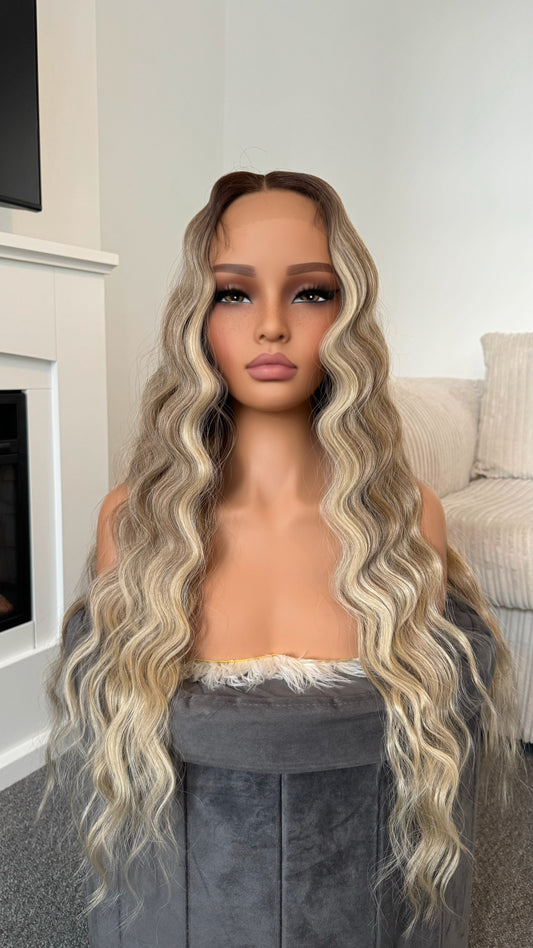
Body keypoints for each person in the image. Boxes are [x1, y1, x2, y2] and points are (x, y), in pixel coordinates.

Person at [38, 171, 521, 943]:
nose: (270, 326)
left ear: (346, 313)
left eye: (309, 293)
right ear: (197, 318)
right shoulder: (135, 522)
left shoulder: (408, 520)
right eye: (234, 293)